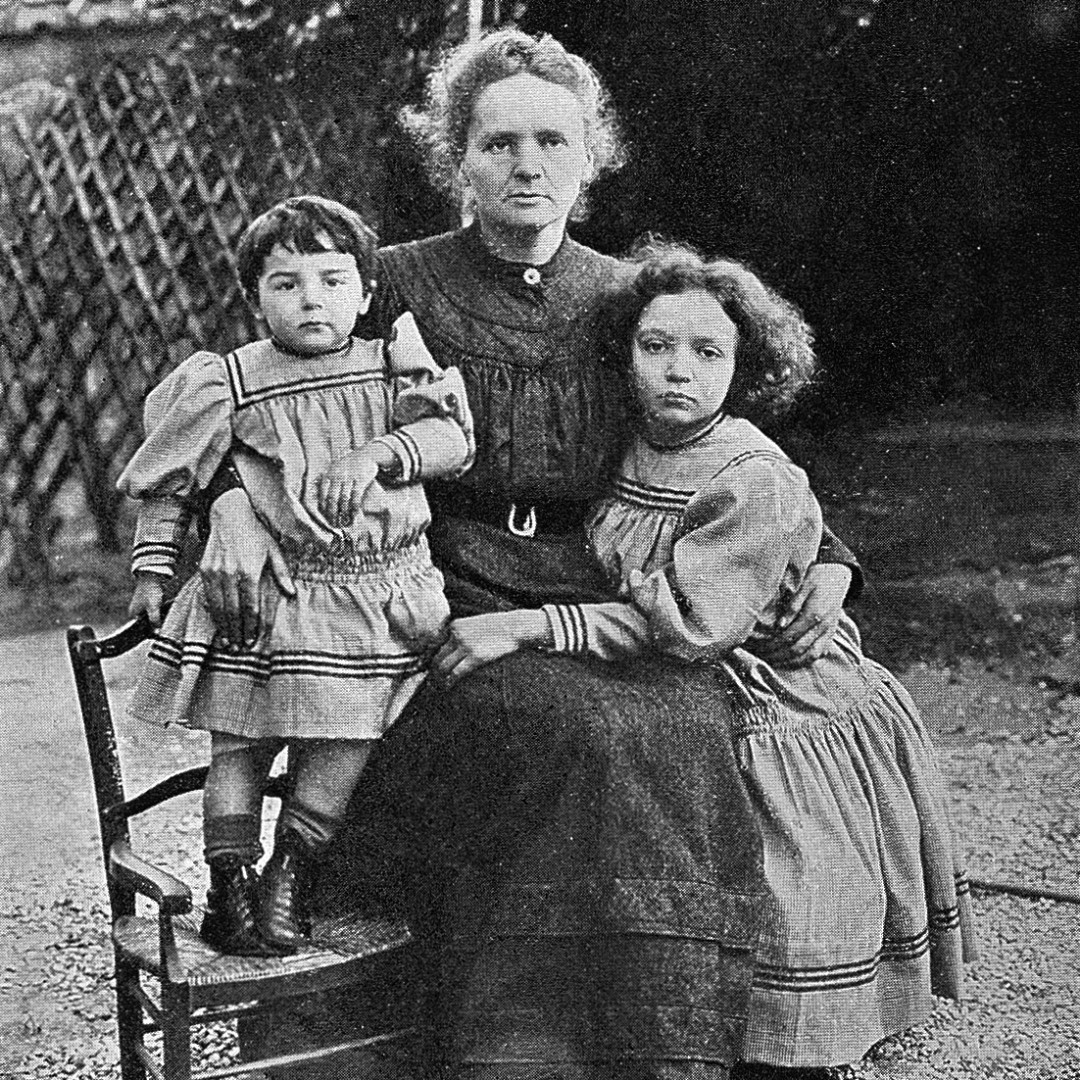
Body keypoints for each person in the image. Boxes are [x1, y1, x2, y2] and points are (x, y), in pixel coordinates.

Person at [199, 30, 862, 1079]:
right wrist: (232, 504)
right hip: (429, 591)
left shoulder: (628, 297)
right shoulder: (386, 283)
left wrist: (828, 556)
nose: (527, 164)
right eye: (498, 141)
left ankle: (666, 1045)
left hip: (590, 585)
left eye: (552, 139)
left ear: (591, 156)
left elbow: (714, 442)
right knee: (574, 730)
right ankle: (521, 1047)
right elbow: (257, 403)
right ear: (452, 158)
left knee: (690, 719)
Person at [433, 241, 976, 1075]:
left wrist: (532, 627)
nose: (677, 372)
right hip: (686, 660)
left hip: (775, 682)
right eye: (655, 348)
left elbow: (694, 621)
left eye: (707, 352)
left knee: (782, 874)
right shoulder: (628, 441)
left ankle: (797, 1041)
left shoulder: (750, 474)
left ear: (745, 367)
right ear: (624, 356)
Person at [117, 195, 474, 956]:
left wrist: (380, 454)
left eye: (331, 279)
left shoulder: (389, 363)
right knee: (240, 749)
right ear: (254, 298)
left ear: (366, 292)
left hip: (375, 596)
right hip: (269, 598)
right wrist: (153, 569)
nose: (310, 298)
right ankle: (230, 884)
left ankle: (291, 873)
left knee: (345, 744)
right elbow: (170, 479)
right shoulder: (232, 379)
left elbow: (450, 437)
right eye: (285, 283)